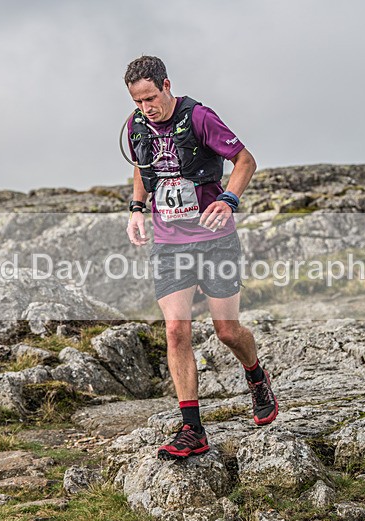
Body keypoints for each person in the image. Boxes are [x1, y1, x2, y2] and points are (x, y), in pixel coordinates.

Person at [123, 56, 278, 460]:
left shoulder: (200, 117)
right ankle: (193, 428)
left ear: (167, 85)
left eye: (152, 98)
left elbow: (245, 160)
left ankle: (255, 375)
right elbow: (143, 166)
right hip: (170, 242)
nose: (146, 108)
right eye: (138, 101)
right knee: (176, 330)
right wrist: (137, 209)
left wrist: (229, 198)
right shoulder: (135, 125)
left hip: (215, 240)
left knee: (227, 332)